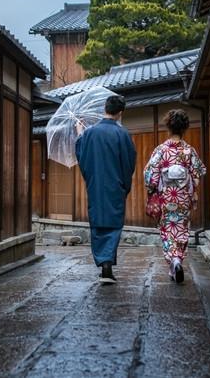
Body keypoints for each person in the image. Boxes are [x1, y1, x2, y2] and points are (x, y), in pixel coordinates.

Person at [75, 95, 136, 284]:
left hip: (96, 185)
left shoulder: (90, 133)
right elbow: (129, 162)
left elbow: (82, 156)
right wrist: (125, 185)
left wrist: (80, 134)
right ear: (120, 113)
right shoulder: (122, 134)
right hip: (115, 186)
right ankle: (107, 262)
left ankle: (104, 263)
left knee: (98, 223)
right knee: (114, 224)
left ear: (105, 108)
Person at [144, 109, 206, 283]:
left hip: (165, 196)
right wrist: (193, 192)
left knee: (167, 229)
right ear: (184, 128)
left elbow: (150, 174)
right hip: (183, 197)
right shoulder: (189, 150)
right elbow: (197, 173)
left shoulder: (161, 149)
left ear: (168, 127)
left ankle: (173, 261)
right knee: (182, 228)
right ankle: (179, 258)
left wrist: (151, 190)